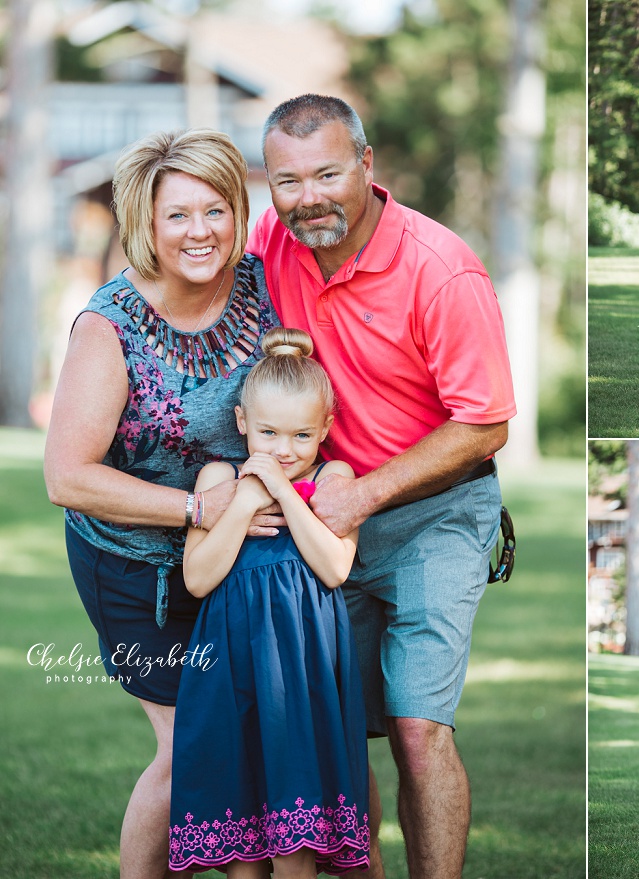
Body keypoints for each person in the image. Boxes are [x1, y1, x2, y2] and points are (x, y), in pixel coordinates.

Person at [247, 94, 516, 879]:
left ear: (367, 165)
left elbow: (486, 423)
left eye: (327, 172)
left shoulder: (441, 270)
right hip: (325, 519)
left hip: (436, 511)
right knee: (333, 728)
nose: (309, 198)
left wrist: (364, 495)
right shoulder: (271, 242)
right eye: (287, 181)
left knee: (415, 726)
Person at [43, 129, 280, 878]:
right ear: (144, 223)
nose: (200, 231)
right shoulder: (110, 326)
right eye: (177, 215)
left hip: (238, 558)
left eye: (215, 210)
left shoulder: (262, 286)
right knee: (188, 748)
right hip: (134, 568)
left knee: (254, 737)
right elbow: (67, 476)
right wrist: (198, 511)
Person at [168, 328, 369, 877]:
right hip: (231, 666)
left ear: (327, 427)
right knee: (243, 841)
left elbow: (334, 566)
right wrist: (243, 502)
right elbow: (199, 580)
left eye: (303, 435)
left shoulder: (333, 478)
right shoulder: (219, 478)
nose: (284, 450)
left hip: (303, 671)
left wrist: (283, 493)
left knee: (296, 841)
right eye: (268, 433)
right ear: (241, 424)